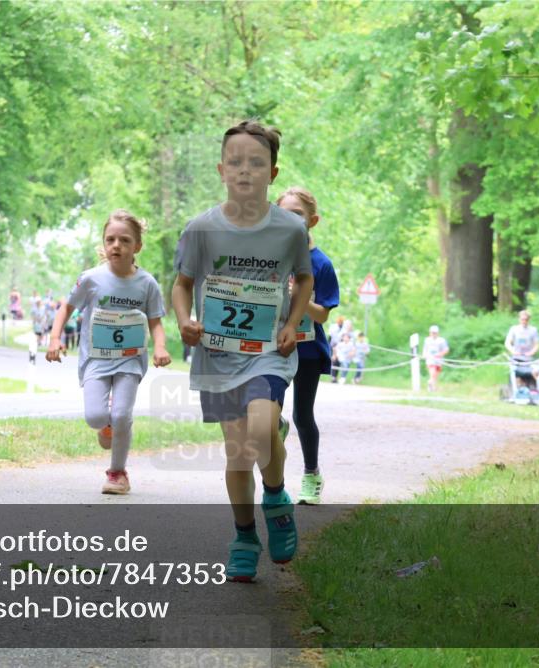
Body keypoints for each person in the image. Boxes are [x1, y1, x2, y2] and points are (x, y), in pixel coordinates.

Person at [172, 120, 313, 582]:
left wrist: (292, 324)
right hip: (216, 354)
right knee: (238, 453)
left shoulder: (290, 229)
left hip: (267, 351)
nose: (245, 170)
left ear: (273, 172)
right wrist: (184, 321)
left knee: (259, 427)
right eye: (236, 162)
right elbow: (182, 285)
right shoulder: (202, 229)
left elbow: (304, 277)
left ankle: (274, 496)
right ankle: (245, 534)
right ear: (221, 169)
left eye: (256, 162)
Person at [46, 210, 170, 494]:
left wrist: (160, 346)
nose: (117, 245)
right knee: (95, 416)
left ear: (136, 247)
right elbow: (66, 307)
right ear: (103, 244)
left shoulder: (147, 283)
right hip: (96, 359)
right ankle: (106, 426)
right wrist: (54, 338)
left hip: (130, 359)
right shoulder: (91, 279)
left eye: (125, 240)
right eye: (110, 239)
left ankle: (117, 473)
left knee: (123, 414)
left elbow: (155, 321)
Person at [276, 186, 339, 506]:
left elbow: (323, 315)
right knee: (266, 411)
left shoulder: (321, 263)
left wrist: (299, 296)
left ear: (312, 220)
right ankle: (277, 425)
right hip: (274, 345)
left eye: (297, 214)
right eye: (284, 213)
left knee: (303, 414)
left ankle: (312, 474)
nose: (290, 219)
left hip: (308, 348)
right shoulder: (271, 257)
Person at [505, 310, 539, 395]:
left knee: (533, 372)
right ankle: (513, 391)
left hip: (528, 358)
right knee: (514, 373)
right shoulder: (514, 329)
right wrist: (513, 350)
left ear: (529, 320)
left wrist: (531, 352)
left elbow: (537, 344)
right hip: (516, 357)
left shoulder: (533, 330)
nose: (524, 321)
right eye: (522, 319)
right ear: (519, 319)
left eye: (526, 319)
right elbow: (507, 343)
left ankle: (533, 390)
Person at [423, 325, 449, 393]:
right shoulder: (427, 340)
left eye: (435, 333)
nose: (433, 334)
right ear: (430, 333)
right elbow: (425, 349)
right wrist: (424, 355)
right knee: (432, 371)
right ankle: (430, 383)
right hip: (430, 359)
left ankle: (433, 387)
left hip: (439, 360)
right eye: (432, 332)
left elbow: (446, 349)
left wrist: (440, 354)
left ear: (438, 333)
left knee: (435, 374)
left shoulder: (441, 340)